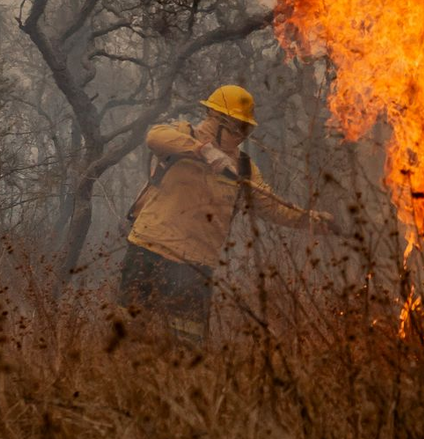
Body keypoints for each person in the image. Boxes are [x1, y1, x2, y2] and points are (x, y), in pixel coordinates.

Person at [118, 83, 335, 342]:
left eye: (247, 128)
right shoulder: (181, 135)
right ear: (218, 119)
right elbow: (154, 137)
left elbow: (271, 207)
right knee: (128, 336)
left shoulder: (244, 168)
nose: (242, 134)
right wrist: (203, 151)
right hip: (149, 251)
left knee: (188, 347)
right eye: (238, 126)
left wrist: (310, 220)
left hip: (196, 265)